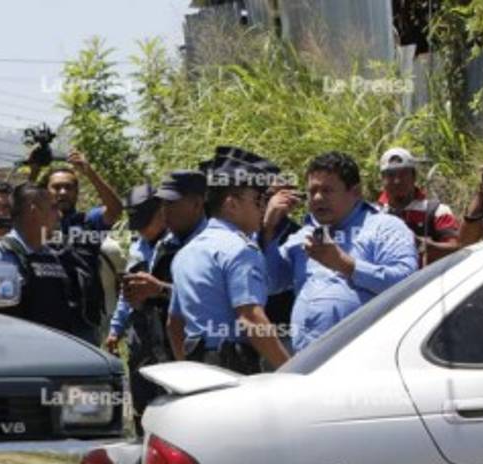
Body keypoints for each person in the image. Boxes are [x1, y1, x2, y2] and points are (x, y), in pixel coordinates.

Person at [263, 151, 417, 353]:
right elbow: (270, 283)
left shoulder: (385, 228)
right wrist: (268, 229)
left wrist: (345, 265)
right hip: (306, 358)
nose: (317, 198)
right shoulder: (305, 235)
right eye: (312, 191)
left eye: (327, 190)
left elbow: (408, 285)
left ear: (355, 192)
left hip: (363, 359)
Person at [167, 151, 290, 373]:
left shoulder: (187, 252)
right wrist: (290, 370)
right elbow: (251, 320)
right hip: (232, 367)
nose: (263, 208)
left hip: (196, 366)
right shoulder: (240, 250)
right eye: (258, 200)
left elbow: (174, 325)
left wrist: (185, 367)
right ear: (232, 204)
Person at [106, 172, 207, 415]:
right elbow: (129, 292)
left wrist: (160, 289)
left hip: (188, 345)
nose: (141, 231)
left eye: (171, 205)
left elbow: (205, 296)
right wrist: (116, 328)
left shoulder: (203, 243)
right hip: (147, 339)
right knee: (147, 408)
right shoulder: (147, 246)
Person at [0, 183, 86, 337]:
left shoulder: (50, 255)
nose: (59, 215)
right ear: (35, 211)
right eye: (53, 208)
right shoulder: (1, 256)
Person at [46, 150, 124, 343]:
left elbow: (115, 209)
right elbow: (19, 209)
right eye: (56, 187)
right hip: (45, 316)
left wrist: (89, 172)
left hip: (84, 319)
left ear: (76, 192)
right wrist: (34, 169)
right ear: (46, 191)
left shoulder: (89, 221)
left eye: (68, 187)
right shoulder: (37, 224)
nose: (62, 192)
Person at [376, 147, 460, 266]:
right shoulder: (373, 213)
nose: (397, 180)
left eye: (403, 173)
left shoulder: (437, 211)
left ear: (414, 176)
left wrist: (422, 245)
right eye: (390, 175)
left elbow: (456, 248)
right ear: (382, 179)